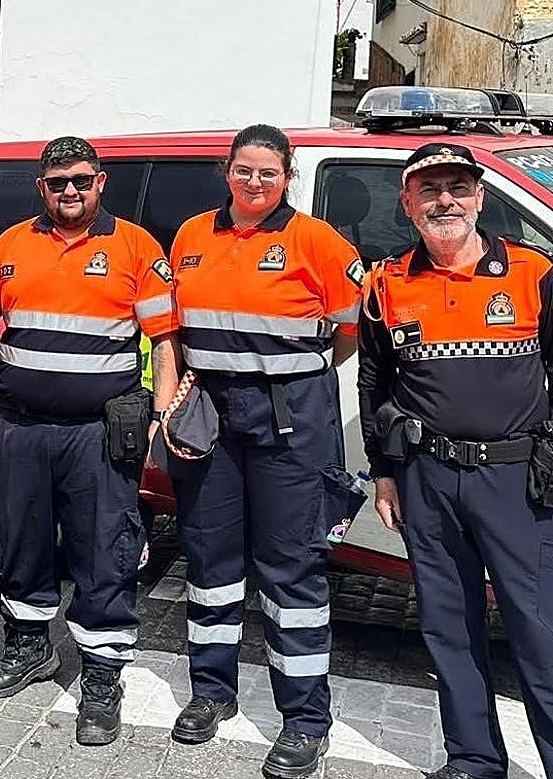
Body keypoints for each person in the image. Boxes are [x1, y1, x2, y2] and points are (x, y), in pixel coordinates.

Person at [0, 136, 174, 745]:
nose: (68, 191)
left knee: (105, 548)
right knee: (19, 541)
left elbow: (166, 339)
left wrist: (161, 416)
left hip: (100, 434)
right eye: (56, 182)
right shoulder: (11, 245)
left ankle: (101, 677)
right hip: (20, 426)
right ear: (40, 187)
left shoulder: (135, 246)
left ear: (100, 182)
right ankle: (28, 648)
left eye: (80, 180)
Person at [159, 124, 362, 778]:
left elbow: (351, 331)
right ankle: (211, 693)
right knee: (211, 560)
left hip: (289, 422)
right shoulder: (191, 236)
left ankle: (304, 720)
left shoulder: (318, 242)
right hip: (211, 416)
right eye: (244, 170)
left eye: (268, 173)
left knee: (289, 571)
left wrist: (290, 373)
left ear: (286, 177)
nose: (254, 182)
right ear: (227, 170)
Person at [359, 142, 553, 779]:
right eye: (430, 189)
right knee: (448, 628)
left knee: (540, 630)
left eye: (458, 188)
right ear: (407, 202)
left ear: (479, 198)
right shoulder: (387, 283)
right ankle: (473, 759)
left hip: (516, 480)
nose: (445, 201)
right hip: (427, 477)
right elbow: (373, 383)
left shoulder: (534, 272)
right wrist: (384, 473)